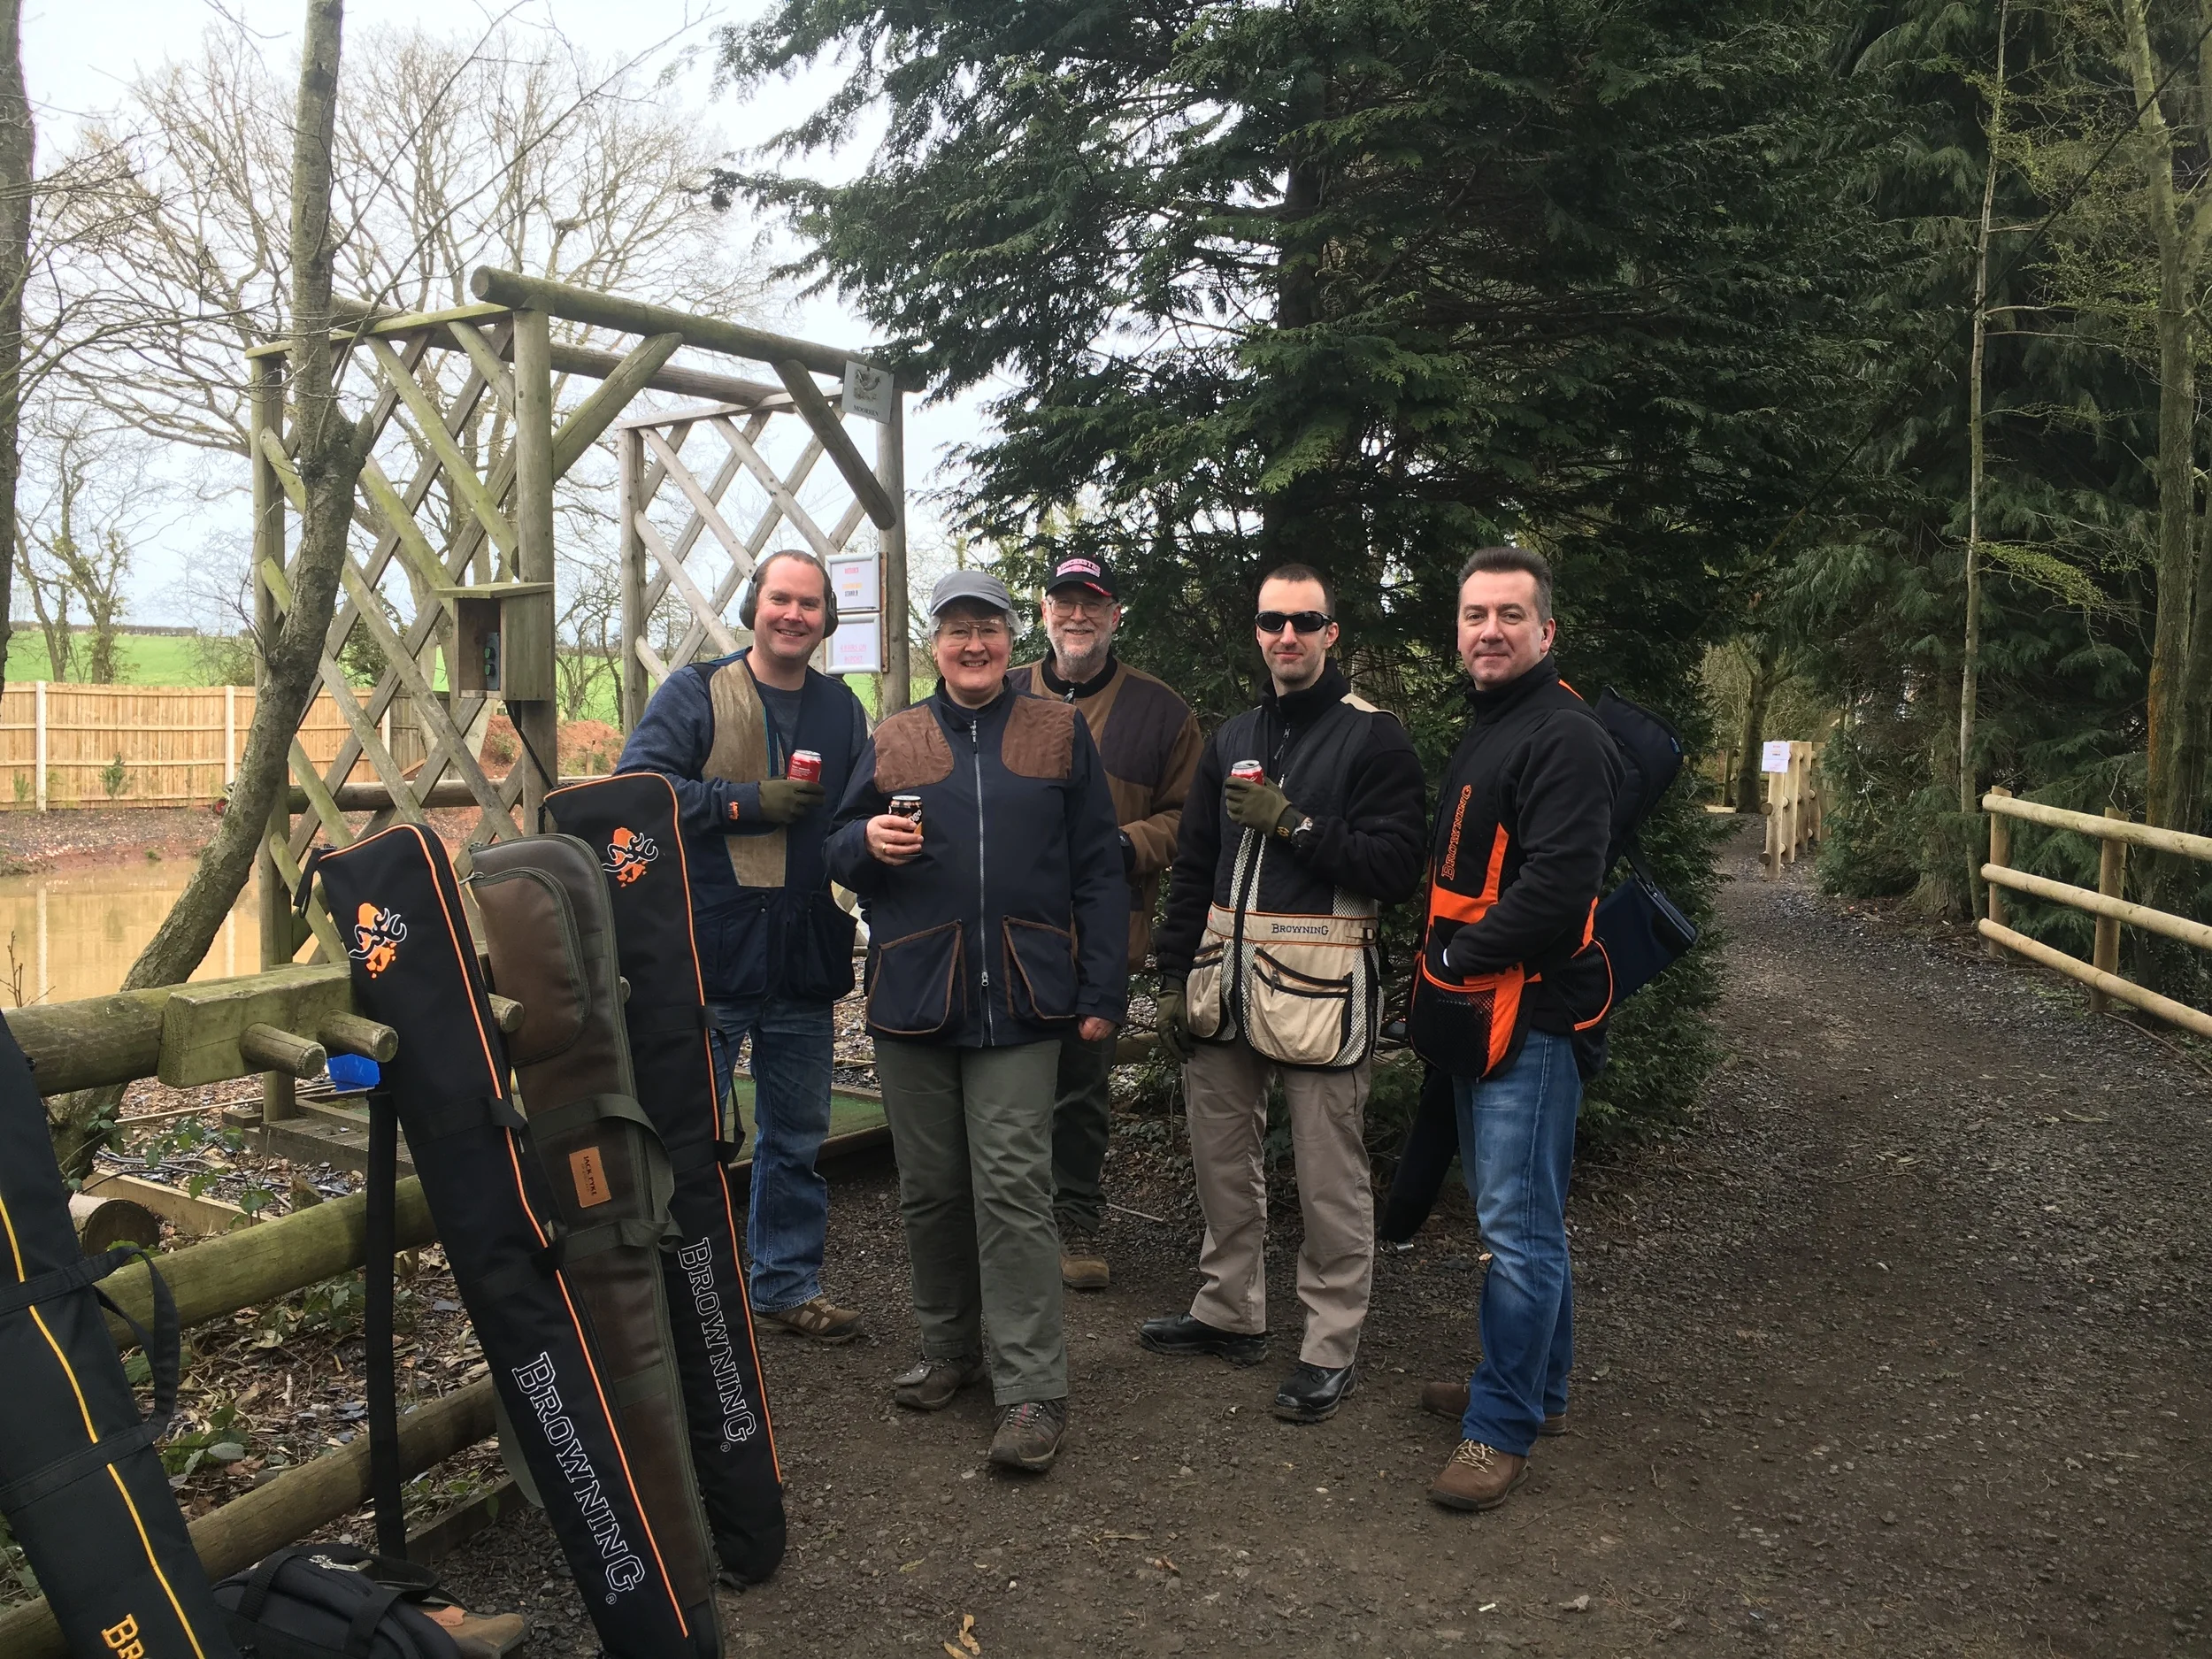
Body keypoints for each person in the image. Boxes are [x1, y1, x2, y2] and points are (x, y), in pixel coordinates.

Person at [826, 569, 1128, 1473]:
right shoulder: (895, 736)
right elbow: (838, 846)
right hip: (916, 993)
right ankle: (950, 1349)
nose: (972, 645)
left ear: (1009, 638)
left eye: (987, 629)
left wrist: (1102, 992)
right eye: (956, 630)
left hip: (1029, 994)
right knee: (929, 1187)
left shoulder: (1058, 731)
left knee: (1010, 1187)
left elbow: (1099, 873)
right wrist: (865, 845)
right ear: (935, 643)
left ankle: (1034, 1387)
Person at [1140, 563, 1425, 1424]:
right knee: (1220, 1160)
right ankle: (1230, 1311)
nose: (1287, 636)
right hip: (1220, 983)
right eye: (1272, 622)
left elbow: (1396, 869)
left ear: (1331, 632)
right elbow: (1193, 864)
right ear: (1257, 632)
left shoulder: (1376, 739)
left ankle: (1328, 1346)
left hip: (1322, 989)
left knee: (1330, 1178)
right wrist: (1167, 974)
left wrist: (1294, 822)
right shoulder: (1231, 735)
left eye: (1305, 621)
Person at [1410, 546, 1619, 1513]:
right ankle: (1538, 1388)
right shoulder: (1497, 720)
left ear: (1546, 631)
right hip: (1478, 1010)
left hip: (1527, 1017)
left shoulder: (1562, 737)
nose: (1487, 630)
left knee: (1515, 1231)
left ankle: (1498, 1428)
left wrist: (1455, 959)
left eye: (1508, 614)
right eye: (1473, 615)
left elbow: (1556, 890)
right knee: (1526, 1215)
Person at [618, 549, 871, 1346]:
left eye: (809, 604)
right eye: (780, 600)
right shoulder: (697, 691)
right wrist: (741, 802)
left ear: (827, 618)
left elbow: (853, 817)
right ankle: (669, 1293)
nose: (794, 615)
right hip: (710, 951)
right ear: (752, 607)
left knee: (796, 1135)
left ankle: (785, 1284)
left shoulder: (843, 710)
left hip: (804, 952)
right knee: (685, 1133)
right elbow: (635, 794)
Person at [1008, 554, 1202, 1293]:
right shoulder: (1001, 688)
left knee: (1081, 1087)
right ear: (1046, 612)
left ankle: (1076, 1216)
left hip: (1102, 935)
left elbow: (1193, 818)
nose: (1077, 616)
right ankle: (1004, 1222)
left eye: (1093, 604)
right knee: (1001, 1080)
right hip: (1003, 929)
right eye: (1065, 603)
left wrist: (1125, 844)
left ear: (1116, 615)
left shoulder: (1161, 711)